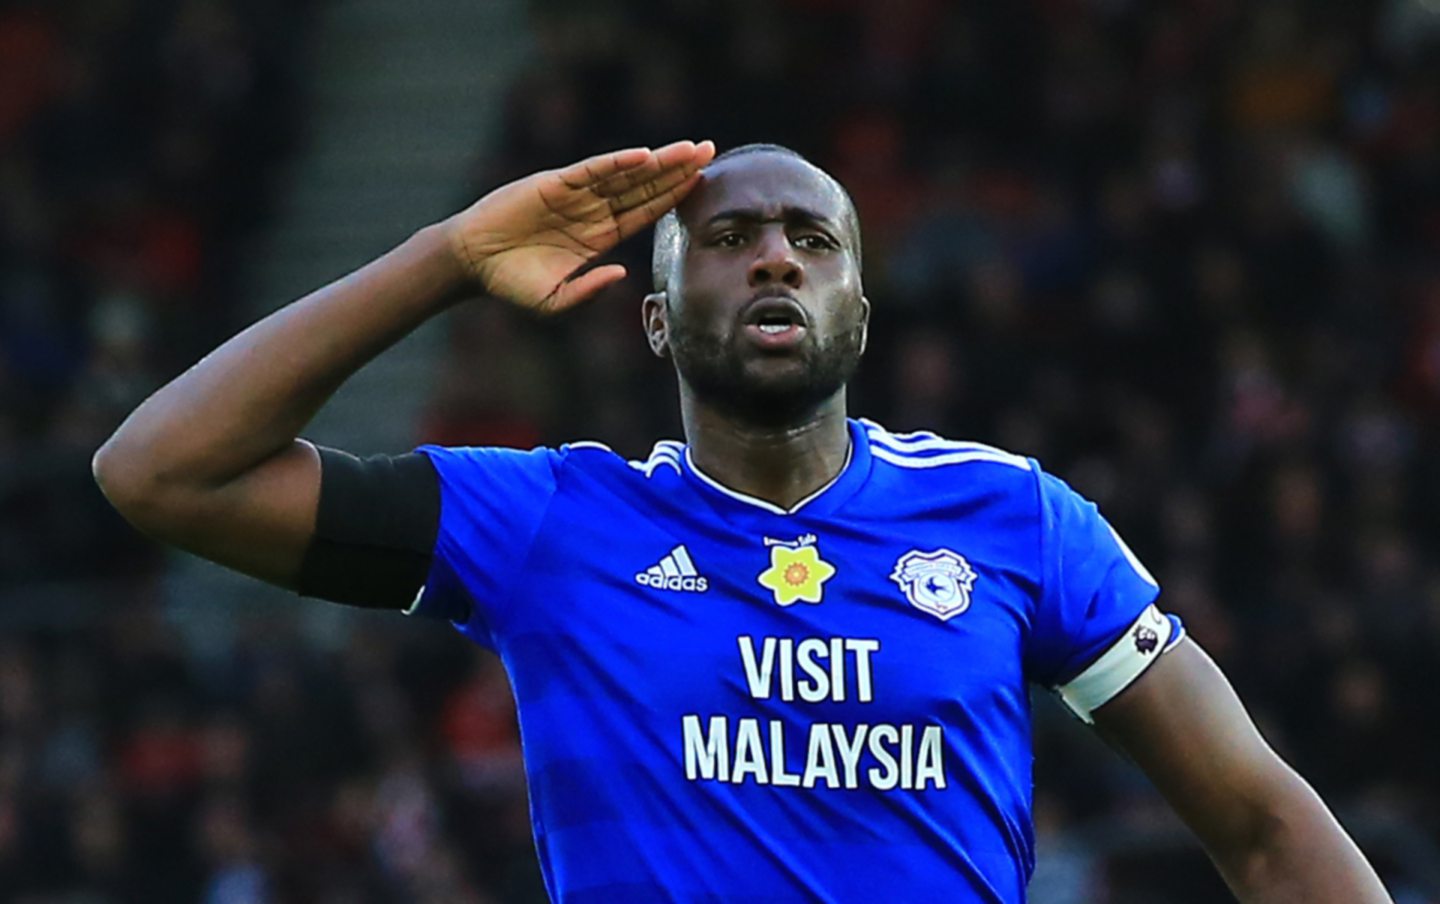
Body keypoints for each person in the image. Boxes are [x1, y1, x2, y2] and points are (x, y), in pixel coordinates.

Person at [94, 139, 1391, 902]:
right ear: (655, 316)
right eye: (727, 237)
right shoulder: (552, 521)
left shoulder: (1016, 522)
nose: (775, 257)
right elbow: (164, 473)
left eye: (812, 241)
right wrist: (445, 260)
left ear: (861, 316)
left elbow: (1267, 827)